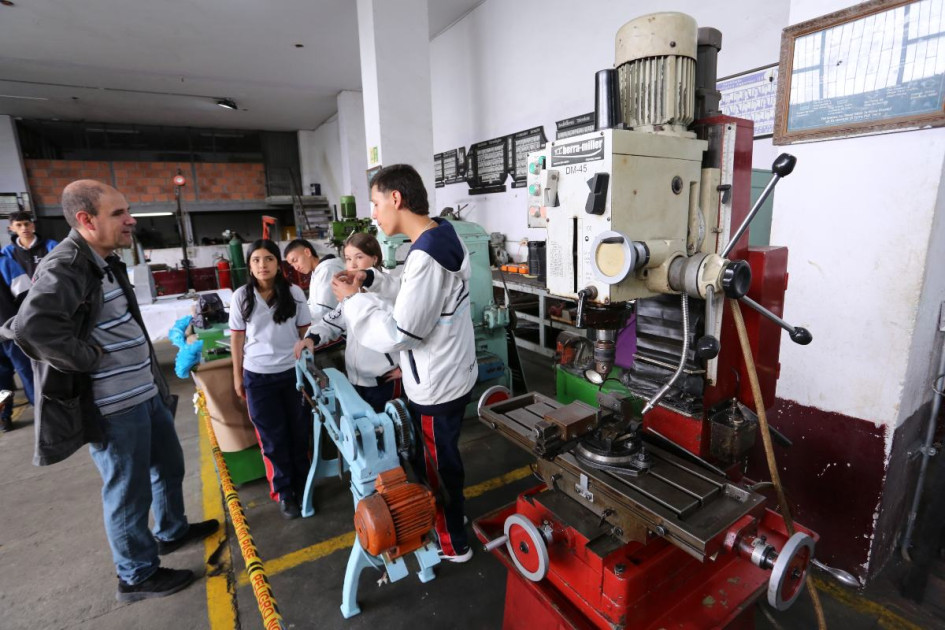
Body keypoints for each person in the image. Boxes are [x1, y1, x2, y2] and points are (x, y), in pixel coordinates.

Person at [0, 180, 217, 602]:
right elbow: (30, 327)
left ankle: (171, 531)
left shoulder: (105, 259)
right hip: (114, 405)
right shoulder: (65, 265)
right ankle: (135, 575)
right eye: (118, 214)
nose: (130, 220)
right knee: (127, 491)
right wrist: (86, 357)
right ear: (85, 220)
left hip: (143, 392)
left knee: (168, 467)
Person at [332, 164, 478, 563]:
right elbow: (412, 287)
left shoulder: (428, 253)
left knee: (437, 466)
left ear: (396, 199)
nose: (374, 213)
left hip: (436, 381)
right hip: (450, 371)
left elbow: (403, 332)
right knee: (441, 457)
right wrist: (370, 280)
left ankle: (454, 543)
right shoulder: (438, 235)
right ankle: (453, 525)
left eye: (377, 203)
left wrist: (352, 301)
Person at [229, 239, 312, 519]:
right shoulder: (241, 296)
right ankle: (285, 493)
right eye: (256, 260)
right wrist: (237, 376)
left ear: (279, 264)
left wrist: (308, 370)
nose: (262, 265)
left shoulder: (294, 293)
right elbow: (237, 338)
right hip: (258, 377)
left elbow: (305, 333)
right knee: (272, 439)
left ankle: (304, 486)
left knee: (299, 434)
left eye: (268, 259)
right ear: (249, 265)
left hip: (292, 375)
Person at [295, 232, 402, 413]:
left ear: (375, 259)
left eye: (359, 257)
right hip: (356, 381)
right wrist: (311, 338)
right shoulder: (352, 296)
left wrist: (405, 371)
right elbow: (332, 321)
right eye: (348, 258)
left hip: (385, 382)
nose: (352, 264)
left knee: (395, 434)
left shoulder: (390, 296)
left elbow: (411, 334)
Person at [0, 255, 35, 432]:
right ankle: (4, 417)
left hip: (12, 331)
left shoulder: (4, 262)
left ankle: (41, 409)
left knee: (28, 372)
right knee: (26, 372)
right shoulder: (4, 262)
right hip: (11, 330)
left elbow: (25, 295)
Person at [3, 210, 58, 280]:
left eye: (26, 224)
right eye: (18, 225)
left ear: (32, 225)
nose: (24, 228)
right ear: (11, 228)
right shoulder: (7, 251)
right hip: (22, 290)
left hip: (49, 288)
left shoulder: (51, 245)